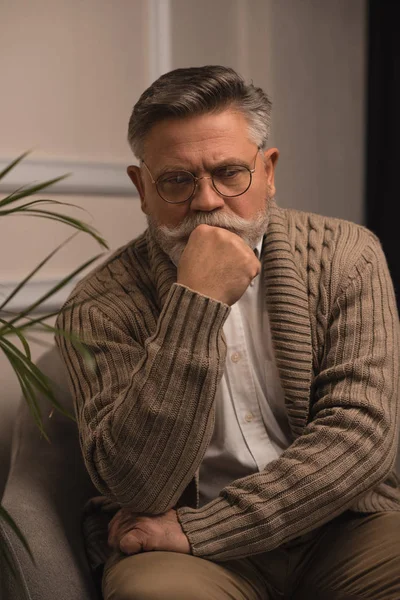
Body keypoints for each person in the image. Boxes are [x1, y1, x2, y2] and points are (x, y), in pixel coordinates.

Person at [56, 66, 400, 599]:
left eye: (229, 173)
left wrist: (200, 531)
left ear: (269, 170)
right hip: (181, 556)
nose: (207, 201)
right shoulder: (97, 306)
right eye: (177, 180)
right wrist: (197, 305)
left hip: (344, 526)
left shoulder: (348, 256)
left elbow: (361, 439)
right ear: (141, 187)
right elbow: (138, 485)